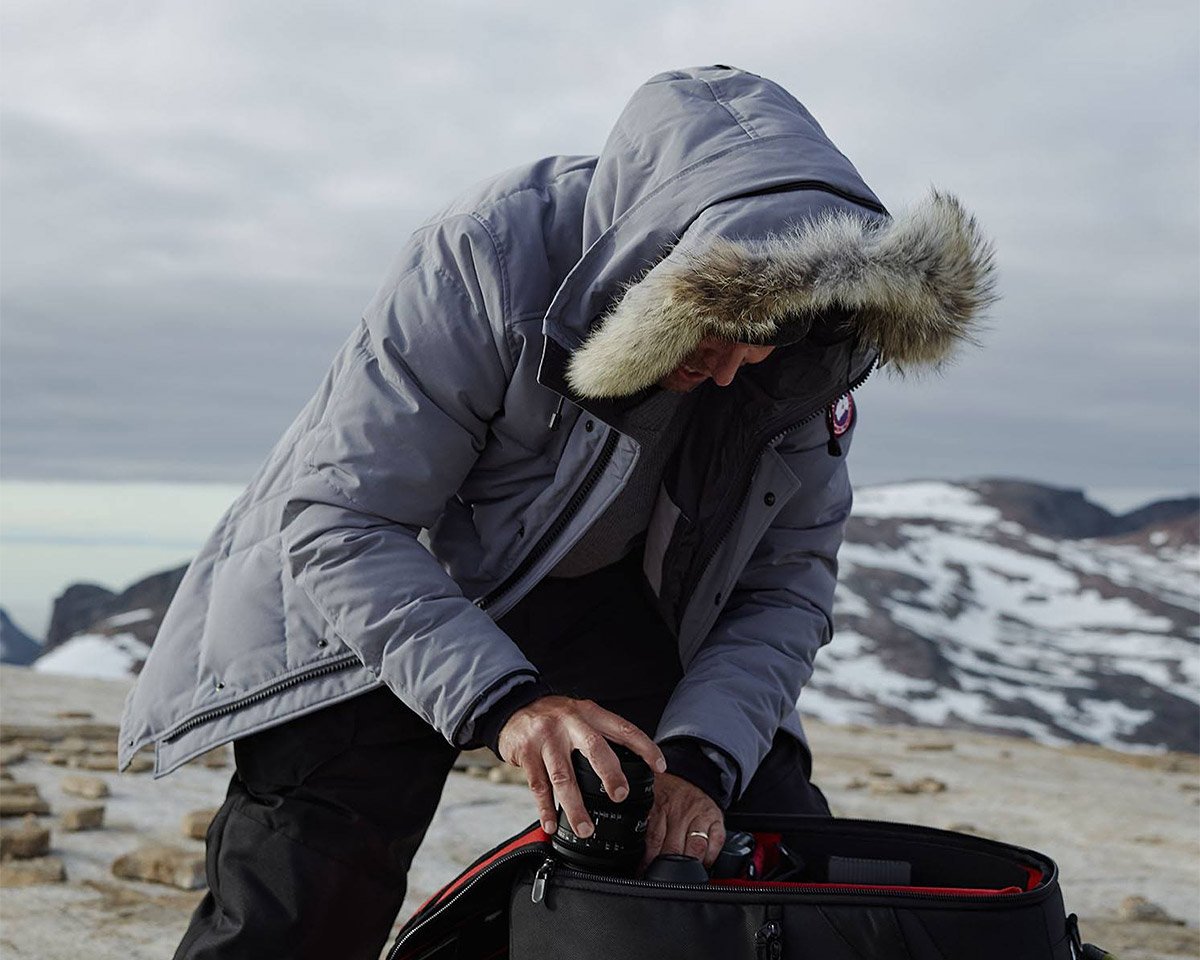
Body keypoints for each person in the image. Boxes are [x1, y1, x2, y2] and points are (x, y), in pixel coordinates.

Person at [118, 64, 995, 959]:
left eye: (764, 336)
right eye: (718, 327)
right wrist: (513, 705)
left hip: (608, 602)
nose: (734, 369)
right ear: (657, 278)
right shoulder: (488, 255)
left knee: (764, 851)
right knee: (303, 897)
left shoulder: (811, 348)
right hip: (389, 586)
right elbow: (341, 519)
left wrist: (698, 765)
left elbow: (783, 592)